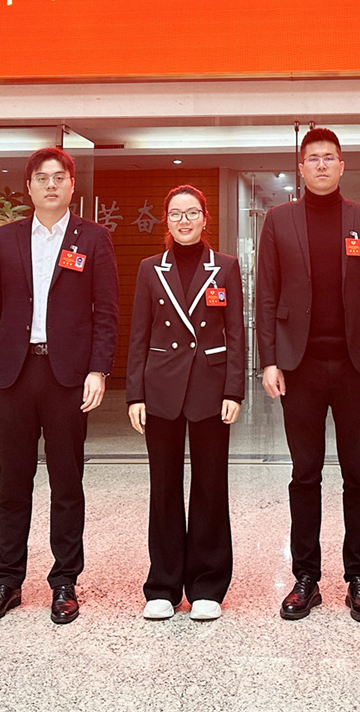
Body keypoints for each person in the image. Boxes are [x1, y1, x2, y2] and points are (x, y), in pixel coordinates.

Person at [257, 127, 360, 622]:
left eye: (329, 158)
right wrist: (269, 360)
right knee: (304, 473)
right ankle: (306, 578)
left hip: (358, 366)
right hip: (300, 367)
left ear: (342, 166)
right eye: (312, 158)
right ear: (301, 168)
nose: (321, 165)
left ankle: (359, 578)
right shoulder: (278, 220)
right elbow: (266, 293)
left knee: (359, 473)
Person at [0, 147, 119, 625]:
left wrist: (98, 370)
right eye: (41, 177)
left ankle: (64, 582)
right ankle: (7, 582)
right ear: (29, 186)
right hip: (14, 375)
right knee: (12, 484)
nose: (51, 184)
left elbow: (106, 311)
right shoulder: (6, 237)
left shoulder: (93, 238)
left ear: (72, 185)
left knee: (66, 483)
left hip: (67, 377)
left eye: (59, 177)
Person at [125, 185, 245, 622]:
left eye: (192, 213)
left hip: (210, 388)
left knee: (211, 485)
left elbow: (236, 332)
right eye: (176, 214)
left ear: (205, 218)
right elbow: (139, 334)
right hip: (161, 387)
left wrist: (234, 390)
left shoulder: (225, 267)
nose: (184, 220)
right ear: (167, 220)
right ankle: (162, 585)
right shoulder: (150, 268)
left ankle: (208, 586)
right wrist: (135, 394)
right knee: (164, 486)